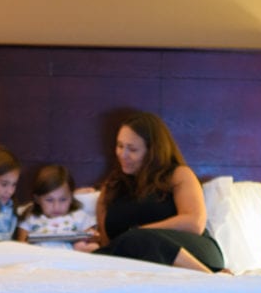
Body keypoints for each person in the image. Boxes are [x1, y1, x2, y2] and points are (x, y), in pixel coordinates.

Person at [94, 111, 225, 273]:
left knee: (137, 239)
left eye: (132, 149)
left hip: (194, 251)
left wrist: (140, 232)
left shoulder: (178, 175)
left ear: (152, 152)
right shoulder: (112, 186)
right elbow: (108, 245)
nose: (123, 154)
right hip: (137, 258)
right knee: (103, 254)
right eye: (120, 146)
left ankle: (212, 278)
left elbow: (194, 223)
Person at [16, 164, 99, 252]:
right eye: (49, 200)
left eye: (63, 200)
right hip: (40, 257)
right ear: (37, 199)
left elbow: (92, 237)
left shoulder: (79, 216)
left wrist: (93, 236)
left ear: (71, 197)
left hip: (70, 259)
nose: (56, 206)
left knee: (92, 246)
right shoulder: (30, 218)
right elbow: (21, 244)